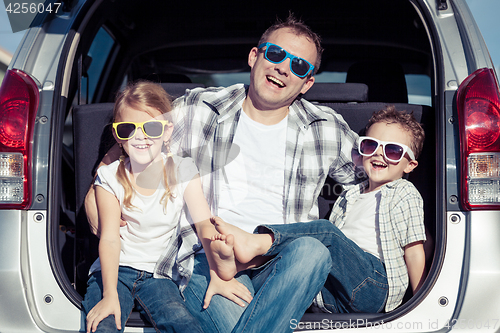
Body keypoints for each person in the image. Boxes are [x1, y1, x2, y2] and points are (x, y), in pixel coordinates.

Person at [86, 14, 360, 333]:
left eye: (300, 66)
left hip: (282, 260)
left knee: (312, 250)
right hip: (208, 259)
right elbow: (136, 136)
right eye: (275, 54)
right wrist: (98, 191)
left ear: (307, 83)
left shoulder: (326, 129)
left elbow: (376, 179)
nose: (284, 67)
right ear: (254, 56)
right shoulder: (201, 108)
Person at [210, 105, 427, 314]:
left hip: (373, 284)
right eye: (370, 146)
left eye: (393, 150)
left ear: (410, 165)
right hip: (336, 293)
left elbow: (414, 251)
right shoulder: (349, 195)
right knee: (303, 253)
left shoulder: (403, 193)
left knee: (326, 233)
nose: (379, 154)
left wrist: (420, 301)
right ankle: (243, 266)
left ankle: (255, 243)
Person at [82, 81, 252, 333]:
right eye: (129, 128)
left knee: (183, 326)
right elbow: (108, 239)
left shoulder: (183, 169)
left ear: (167, 131)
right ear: (118, 135)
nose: (140, 137)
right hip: (114, 271)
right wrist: (109, 295)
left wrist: (217, 275)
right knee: (102, 325)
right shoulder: (109, 177)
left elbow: (203, 223)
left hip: (160, 275)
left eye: (151, 127)